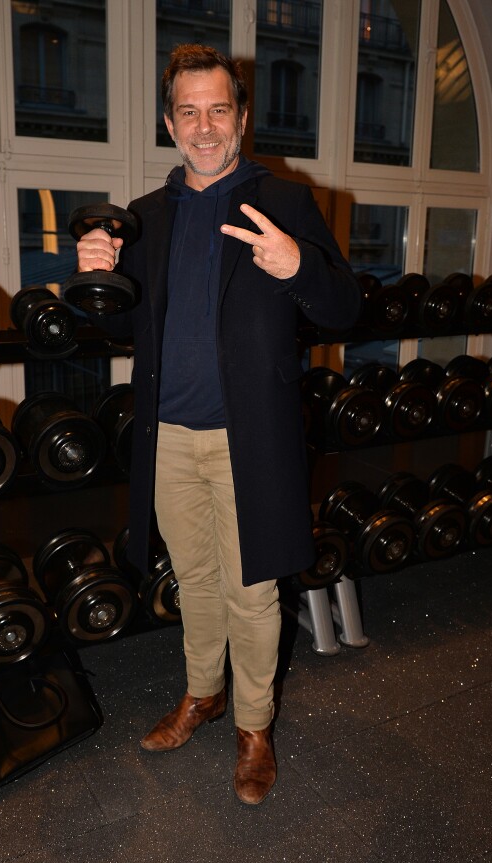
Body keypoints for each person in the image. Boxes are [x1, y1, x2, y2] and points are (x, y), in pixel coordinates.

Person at [75, 43, 362, 805]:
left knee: (253, 587)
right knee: (195, 580)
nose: (205, 127)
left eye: (219, 110)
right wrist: (97, 275)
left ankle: (254, 724)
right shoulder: (145, 217)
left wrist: (296, 263)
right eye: (189, 111)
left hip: (251, 439)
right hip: (167, 436)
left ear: (241, 118)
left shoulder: (287, 201)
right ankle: (203, 693)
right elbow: (120, 329)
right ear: (171, 123)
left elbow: (344, 309)